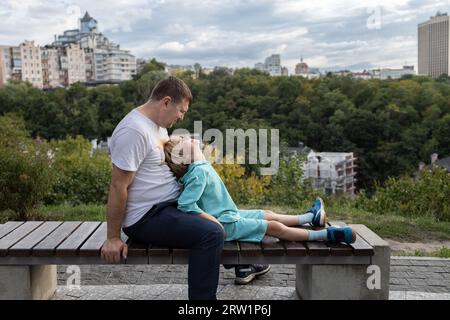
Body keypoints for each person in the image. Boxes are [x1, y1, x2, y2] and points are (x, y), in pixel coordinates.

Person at [100, 76, 266, 300]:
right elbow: (118, 186)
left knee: (224, 213)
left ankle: (243, 263)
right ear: (166, 102)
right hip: (147, 217)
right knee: (211, 232)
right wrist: (112, 238)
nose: (181, 117)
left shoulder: (156, 126)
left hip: (168, 205)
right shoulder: (134, 131)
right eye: (181, 111)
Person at [163, 136, 356, 249]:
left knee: (268, 214)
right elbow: (186, 205)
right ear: (184, 156)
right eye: (183, 140)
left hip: (229, 215)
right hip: (225, 223)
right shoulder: (198, 172)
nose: (188, 138)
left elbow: (195, 147)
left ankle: (310, 218)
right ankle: (325, 235)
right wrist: (213, 222)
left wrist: (192, 144)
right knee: (274, 227)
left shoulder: (199, 166)